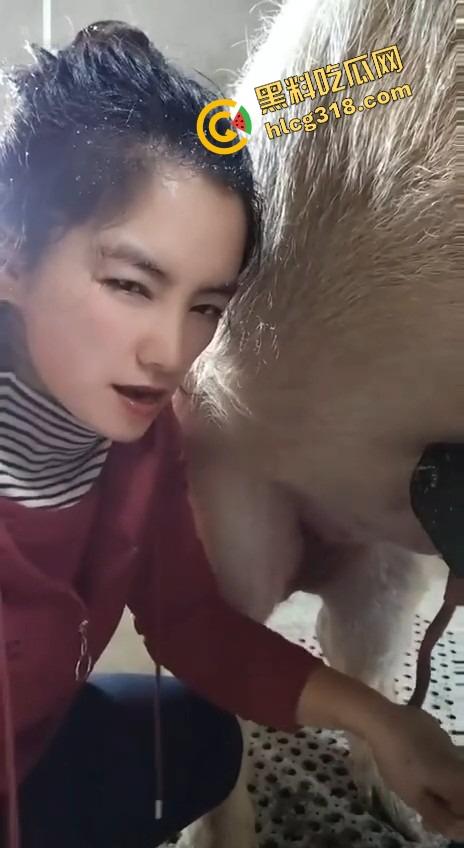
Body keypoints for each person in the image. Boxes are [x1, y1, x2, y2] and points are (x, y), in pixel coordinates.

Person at [0, 18, 462, 848]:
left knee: (195, 737)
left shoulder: (138, 445)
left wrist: (384, 723)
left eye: (207, 306)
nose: (172, 352)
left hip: (29, 744)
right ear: (12, 253)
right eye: (131, 285)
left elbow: (190, 621)